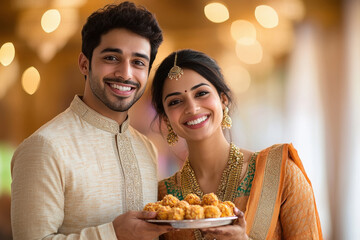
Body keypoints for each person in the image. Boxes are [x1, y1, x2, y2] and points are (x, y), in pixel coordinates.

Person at [11, 2, 172, 239]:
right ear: (84, 64)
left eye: (138, 62)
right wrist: (113, 234)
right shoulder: (45, 147)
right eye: (112, 57)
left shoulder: (146, 149)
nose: (126, 73)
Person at [151, 49, 323, 240]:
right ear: (166, 119)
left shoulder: (280, 174)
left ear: (223, 100)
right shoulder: (163, 198)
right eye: (175, 101)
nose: (192, 108)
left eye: (201, 93)